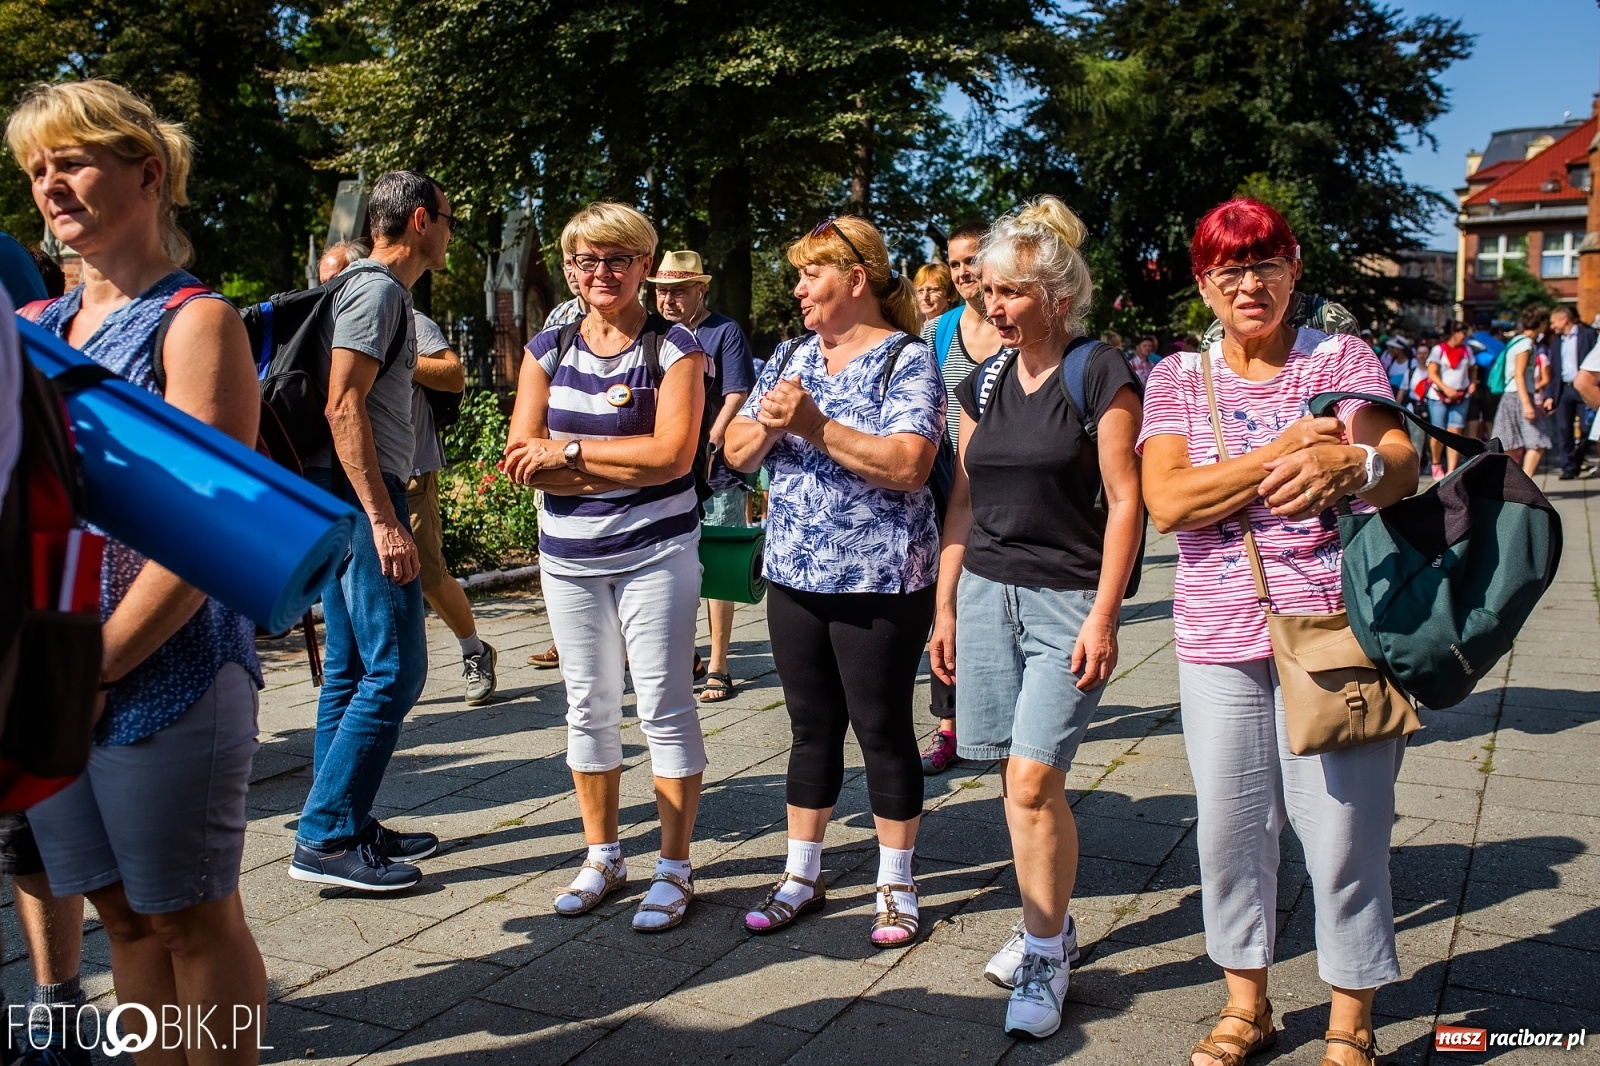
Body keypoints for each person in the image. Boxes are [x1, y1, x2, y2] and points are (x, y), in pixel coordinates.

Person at [8, 79, 271, 1062]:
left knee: (194, 923)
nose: (49, 184)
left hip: (167, 671)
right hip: (53, 673)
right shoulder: (31, 322)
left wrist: (96, 668)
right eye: (36, 169)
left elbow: (203, 540)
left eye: (70, 160)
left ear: (147, 173)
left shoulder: (197, 324)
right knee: (121, 922)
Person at [1139, 199, 1418, 1066]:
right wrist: (1282, 453)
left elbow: (1400, 467)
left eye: (1265, 264)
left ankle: (1350, 1019)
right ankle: (1246, 1004)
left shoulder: (1339, 357)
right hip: (1216, 633)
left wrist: (1358, 462)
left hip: (1337, 629)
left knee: (1342, 832)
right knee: (1229, 831)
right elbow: (1167, 502)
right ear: (1203, 283)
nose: (1249, 285)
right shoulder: (1178, 378)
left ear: (1295, 267)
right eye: (1229, 270)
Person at [929, 197, 1144, 1038]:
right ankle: (1047, 923)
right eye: (986, 292)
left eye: (1008, 293)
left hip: (1066, 601)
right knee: (1016, 784)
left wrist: (1105, 617)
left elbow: (1126, 504)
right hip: (985, 592)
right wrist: (945, 606)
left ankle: (1047, 953)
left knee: (1032, 779)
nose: (991, 306)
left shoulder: (1100, 372)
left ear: (1056, 296)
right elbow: (963, 499)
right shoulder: (982, 377)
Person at [724, 216, 944, 947]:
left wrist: (814, 425)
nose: (798, 289)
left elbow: (909, 464)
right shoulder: (791, 354)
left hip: (880, 580)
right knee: (810, 727)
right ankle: (801, 874)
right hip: (793, 573)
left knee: (882, 730)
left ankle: (896, 881)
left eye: (810, 274)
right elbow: (737, 454)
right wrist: (767, 425)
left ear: (855, 279)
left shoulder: (904, 360)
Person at [503, 202, 709, 933]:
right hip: (568, 560)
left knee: (663, 708)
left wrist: (570, 455)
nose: (601, 273)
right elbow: (520, 456)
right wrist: (591, 464)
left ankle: (676, 868)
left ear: (644, 266)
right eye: (587, 260)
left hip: (656, 554)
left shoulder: (676, 350)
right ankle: (603, 855)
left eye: (617, 259)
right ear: (569, 267)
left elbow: (674, 457)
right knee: (587, 709)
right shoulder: (547, 347)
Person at [289, 170, 449, 892]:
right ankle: (324, 837)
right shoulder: (380, 290)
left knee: (351, 673)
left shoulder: (376, 289)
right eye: (446, 219)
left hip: (347, 493)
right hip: (362, 496)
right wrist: (384, 521)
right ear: (421, 219)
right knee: (398, 669)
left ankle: (345, 820)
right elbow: (342, 405)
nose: (450, 233)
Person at [318, 241, 499, 706]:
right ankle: (362, 683)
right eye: (325, 281)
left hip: (410, 469)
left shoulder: (405, 316)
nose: (331, 288)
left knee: (428, 572)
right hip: (351, 479)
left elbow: (455, 375)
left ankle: (474, 650)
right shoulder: (330, 323)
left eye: (338, 277)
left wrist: (390, 352)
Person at [649, 249, 757, 704]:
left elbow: (736, 392)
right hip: (666, 467)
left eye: (678, 291)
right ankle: (683, 656)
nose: (669, 300)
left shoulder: (722, 332)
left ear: (700, 290)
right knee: (669, 563)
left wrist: (713, 438)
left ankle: (718, 663)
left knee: (716, 566)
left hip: (716, 469)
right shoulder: (652, 335)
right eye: (662, 291)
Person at [917, 221, 1003, 775]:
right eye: (955, 264)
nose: (964, 271)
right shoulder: (939, 331)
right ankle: (948, 727)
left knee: (989, 604)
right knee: (941, 606)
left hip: (1001, 487)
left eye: (973, 259)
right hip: (945, 481)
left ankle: (998, 716)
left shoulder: (1013, 324)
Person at [526, 260, 590, 671]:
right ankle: (564, 638)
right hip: (556, 454)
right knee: (553, 547)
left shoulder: (636, 317)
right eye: (568, 263)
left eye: (579, 262)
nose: (572, 271)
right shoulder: (560, 317)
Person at [1490, 307, 1556, 477]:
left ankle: (1509, 484)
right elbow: (1519, 374)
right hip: (1519, 397)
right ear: (1540, 323)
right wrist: (1527, 404)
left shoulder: (1516, 341)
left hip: (1511, 396)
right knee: (1538, 441)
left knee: (1510, 445)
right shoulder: (1526, 344)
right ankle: (1526, 484)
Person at [1548, 306, 1597, 479]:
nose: (1551, 326)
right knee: (1563, 429)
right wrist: (1550, 396)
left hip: (1585, 388)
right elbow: (1553, 372)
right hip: (1564, 390)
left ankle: (1578, 458)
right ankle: (1567, 467)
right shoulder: (1555, 343)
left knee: (1587, 427)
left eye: (1553, 322)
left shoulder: (1588, 335)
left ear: (1564, 320)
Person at [1425, 321, 1473, 478]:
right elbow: (1432, 373)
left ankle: (1452, 469)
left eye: (1465, 332)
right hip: (1439, 395)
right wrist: (1445, 388)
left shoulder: (1467, 350)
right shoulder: (1438, 350)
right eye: (1461, 332)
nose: (1463, 336)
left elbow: (1473, 369)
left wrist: (1472, 382)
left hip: (1460, 396)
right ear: (1453, 333)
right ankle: (1436, 463)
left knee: (1455, 431)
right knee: (1438, 431)